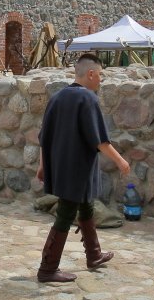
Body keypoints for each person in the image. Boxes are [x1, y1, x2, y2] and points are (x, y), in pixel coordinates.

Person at [34, 54, 130, 283]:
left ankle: (94, 254)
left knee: (85, 205)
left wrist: (42, 165)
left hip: (65, 166)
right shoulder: (88, 99)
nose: (101, 80)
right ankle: (47, 269)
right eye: (101, 75)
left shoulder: (57, 98)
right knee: (66, 214)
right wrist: (120, 161)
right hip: (76, 168)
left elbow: (43, 137)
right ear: (90, 73)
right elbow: (100, 141)